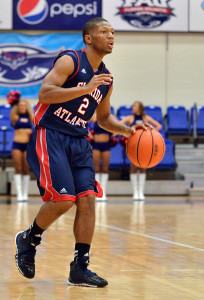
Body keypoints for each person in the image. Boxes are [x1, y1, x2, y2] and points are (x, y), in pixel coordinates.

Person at [14, 17, 148, 288]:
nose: (111, 36)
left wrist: (129, 131)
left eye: (113, 32)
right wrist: (83, 88)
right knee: (64, 200)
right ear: (89, 38)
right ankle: (29, 238)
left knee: (87, 200)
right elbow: (44, 94)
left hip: (79, 140)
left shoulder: (106, 79)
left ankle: (80, 267)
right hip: (51, 134)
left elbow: (104, 118)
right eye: (104, 31)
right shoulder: (70, 60)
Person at [121, 101, 162, 200]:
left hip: (145, 146)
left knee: (143, 167)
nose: (133, 107)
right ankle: (135, 192)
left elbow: (159, 126)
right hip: (134, 146)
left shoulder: (146, 118)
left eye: (135, 106)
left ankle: (141, 192)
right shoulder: (130, 118)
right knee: (133, 167)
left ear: (140, 107)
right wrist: (127, 133)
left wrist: (151, 135)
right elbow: (119, 126)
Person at [89, 113, 117, 201]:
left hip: (106, 145)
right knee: (96, 169)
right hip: (96, 144)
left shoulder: (110, 116)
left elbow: (119, 126)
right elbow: (82, 123)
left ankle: (103, 191)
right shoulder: (94, 116)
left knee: (105, 169)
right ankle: (97, 191)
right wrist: (89, 135)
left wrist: (113, 135)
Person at [10, 98, 34, 201]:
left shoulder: (30, 117)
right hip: (17, 144)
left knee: (26, 169)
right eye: (20, 105)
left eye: (24, 105)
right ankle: (19, 194)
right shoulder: (15, 116)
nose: (22, 107)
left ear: (27, 107)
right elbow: (12, 114)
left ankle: (25, 193)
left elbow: (35, 121)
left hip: (27, 145)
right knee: (18, 168)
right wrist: (14, 103)